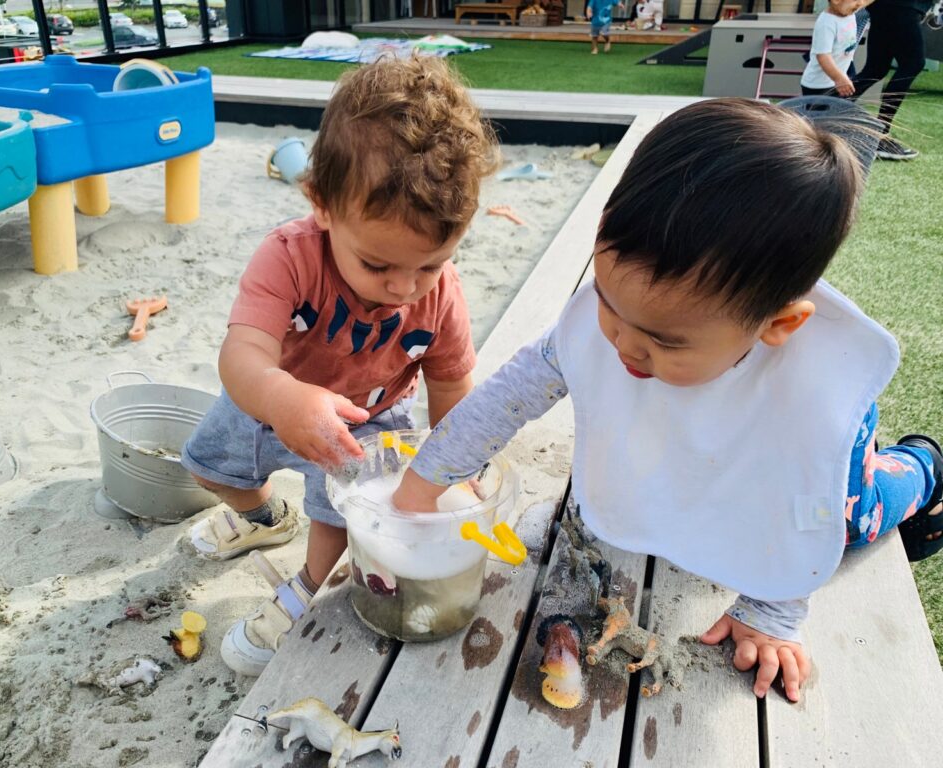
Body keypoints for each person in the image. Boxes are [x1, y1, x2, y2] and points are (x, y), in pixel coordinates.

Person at [393, 99, 943, 703]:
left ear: (777, 325)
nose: (623, 344)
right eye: (607, 303)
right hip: (706, 443)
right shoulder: (627, 319)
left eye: (664, 341)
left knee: (854, 520)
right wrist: (426, 481)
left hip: (818, 474)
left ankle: (923, 468)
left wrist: (771, 613)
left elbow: (802, 510)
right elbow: (507, 398)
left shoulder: (805, 398)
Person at [181, 56, 500, 675]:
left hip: (368, 421)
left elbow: (451, 382)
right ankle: (263, 518)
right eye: (377, 264)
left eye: (430, 264)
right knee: (209, 471)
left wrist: (456, 463)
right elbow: (242, 353)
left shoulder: (441, 294)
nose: (404, 287)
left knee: (341, 514)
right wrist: (280, 397)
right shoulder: (288, 257)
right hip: (269, 400)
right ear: (321, 203)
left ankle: (304, 587)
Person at [851, 0, 932, 159]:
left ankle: (821, 109)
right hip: (904, 7)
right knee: (912, 64)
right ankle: (881, 135)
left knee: (875, 69)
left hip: (882, 7)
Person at [801, 0, 867, 97]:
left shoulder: (849, 11)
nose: (860, 3)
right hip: (819, 86)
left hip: (837, 80)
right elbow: (823, 56)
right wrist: (839, 79)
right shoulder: (827, 23)